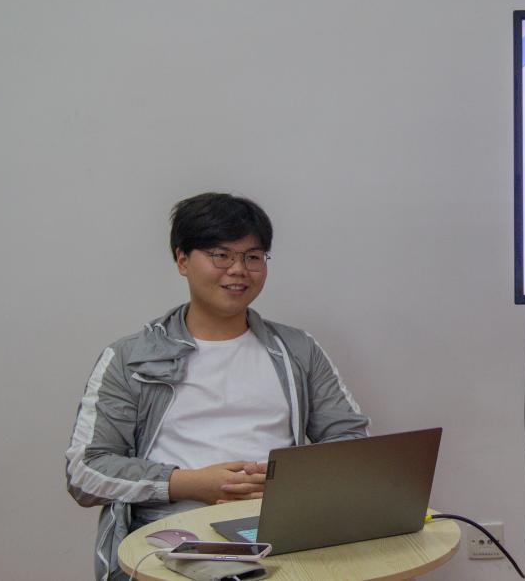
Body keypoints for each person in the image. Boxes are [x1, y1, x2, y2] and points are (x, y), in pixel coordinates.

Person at [65, 192, 370, 580]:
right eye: (220, 255)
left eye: (253, 256)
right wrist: (188, 483)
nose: (238, 270)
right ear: (182, 260)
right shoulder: (130, 358)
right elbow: (85, 471)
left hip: (278, 529)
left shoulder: (297, 350)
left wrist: (285, 483)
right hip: (174, 533)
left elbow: (352, 445)